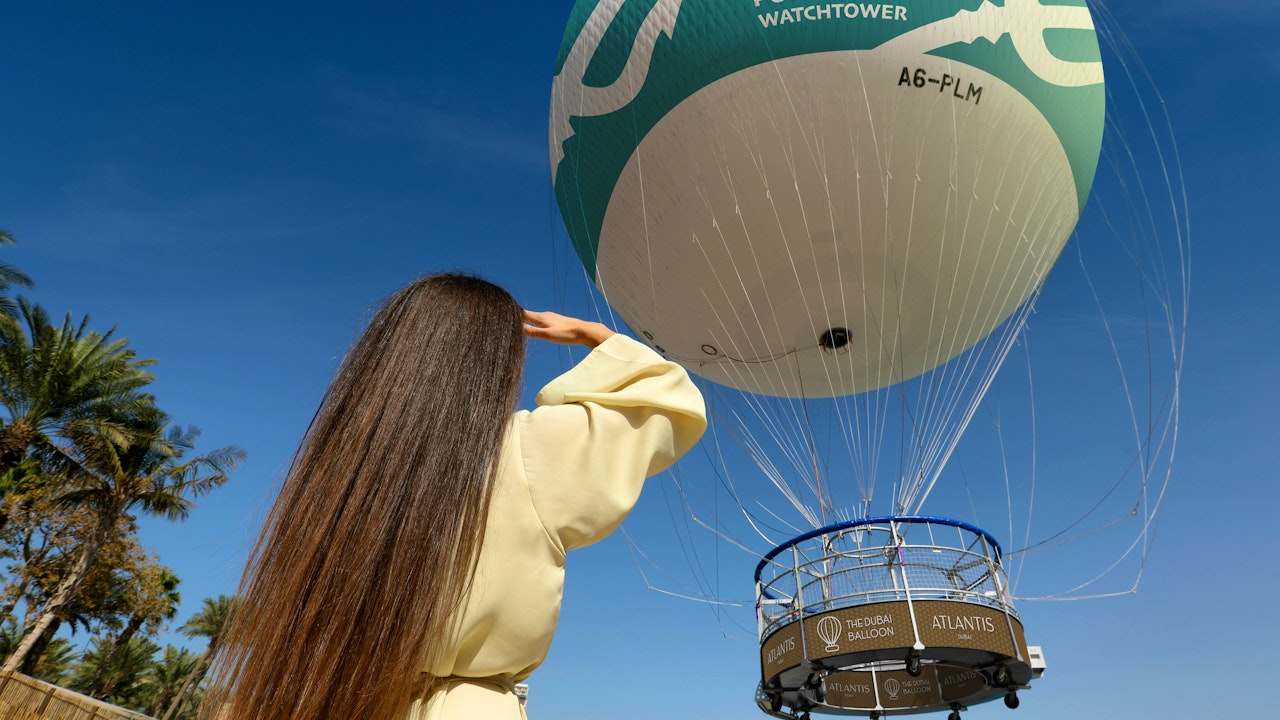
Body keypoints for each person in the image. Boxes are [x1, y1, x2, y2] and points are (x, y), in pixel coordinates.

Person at [200, 273, 706, 720]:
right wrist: (594, 336)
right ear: (495, 361)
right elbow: (668, 396)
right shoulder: (528, 450)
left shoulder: (342, 473)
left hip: (341, 697)